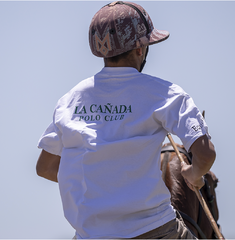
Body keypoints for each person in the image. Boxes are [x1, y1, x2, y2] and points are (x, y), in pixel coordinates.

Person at [36, 1, 216, 239]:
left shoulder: (70, 100)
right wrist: (193, 174)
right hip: (156, 229)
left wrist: (102, 185)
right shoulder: (167, 94)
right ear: (140, 49)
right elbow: (205, 155)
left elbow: (45, 167)